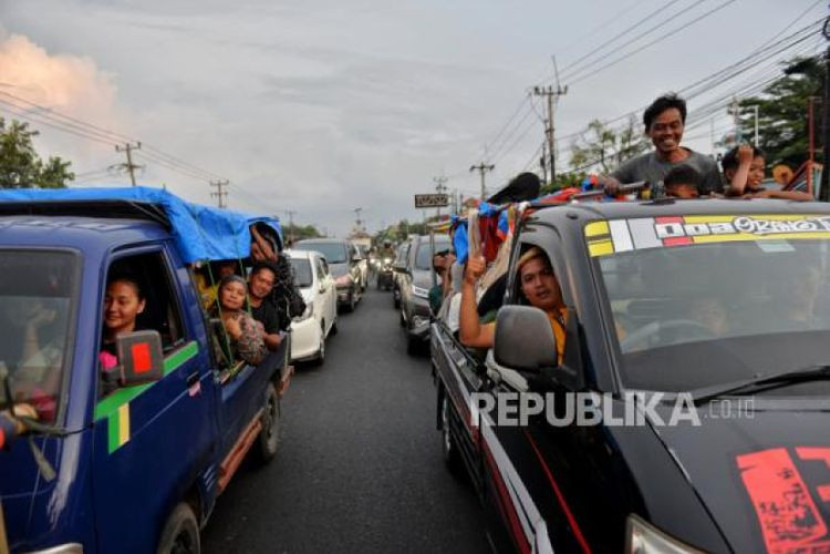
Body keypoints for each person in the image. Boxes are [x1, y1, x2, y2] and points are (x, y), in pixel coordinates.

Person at [460, 247, 568, 364]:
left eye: (546, 273)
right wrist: (469, 283)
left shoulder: (585, 308)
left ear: (558, 277)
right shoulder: (525, 325)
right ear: (524, 291)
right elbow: (471, 337)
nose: (539, 283)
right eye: (529, 279)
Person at [601, 93, 723, 197]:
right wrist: (611, 182)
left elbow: (716, 207)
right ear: (648, 132)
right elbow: (606, 180)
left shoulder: (706, 165)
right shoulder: (637, 166)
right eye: (660, 128)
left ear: (683, 126)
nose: (668, 133)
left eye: (674, 126)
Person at [100, 273, 147, 395]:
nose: (112, 308)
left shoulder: (141, 344)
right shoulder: (89, 337)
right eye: (107, 300)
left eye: (122, 302)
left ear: (140, 305)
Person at [722, 144, 812, 200]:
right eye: (751, 169)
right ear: (730, 174)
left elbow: (808, 197)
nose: (759, 175)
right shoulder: (726, 195)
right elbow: (736, 190)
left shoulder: (762, 193)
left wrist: (771, 193)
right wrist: (745, 163)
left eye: (762, 170)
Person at [215, 275, 268, 365]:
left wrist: (238, 334)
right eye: (229, 290)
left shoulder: (246, 322)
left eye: (240, 293)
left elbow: (257, 358)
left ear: (244, 299)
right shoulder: (208, 314)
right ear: (220, 291)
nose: (233, 295)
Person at [248, 261, 283, 351]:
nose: (263, 286)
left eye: (269, 284)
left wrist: (263, 335)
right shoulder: (236, 299)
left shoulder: (269, 310)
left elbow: (276, 341)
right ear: (250, 277)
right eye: (261, 280)